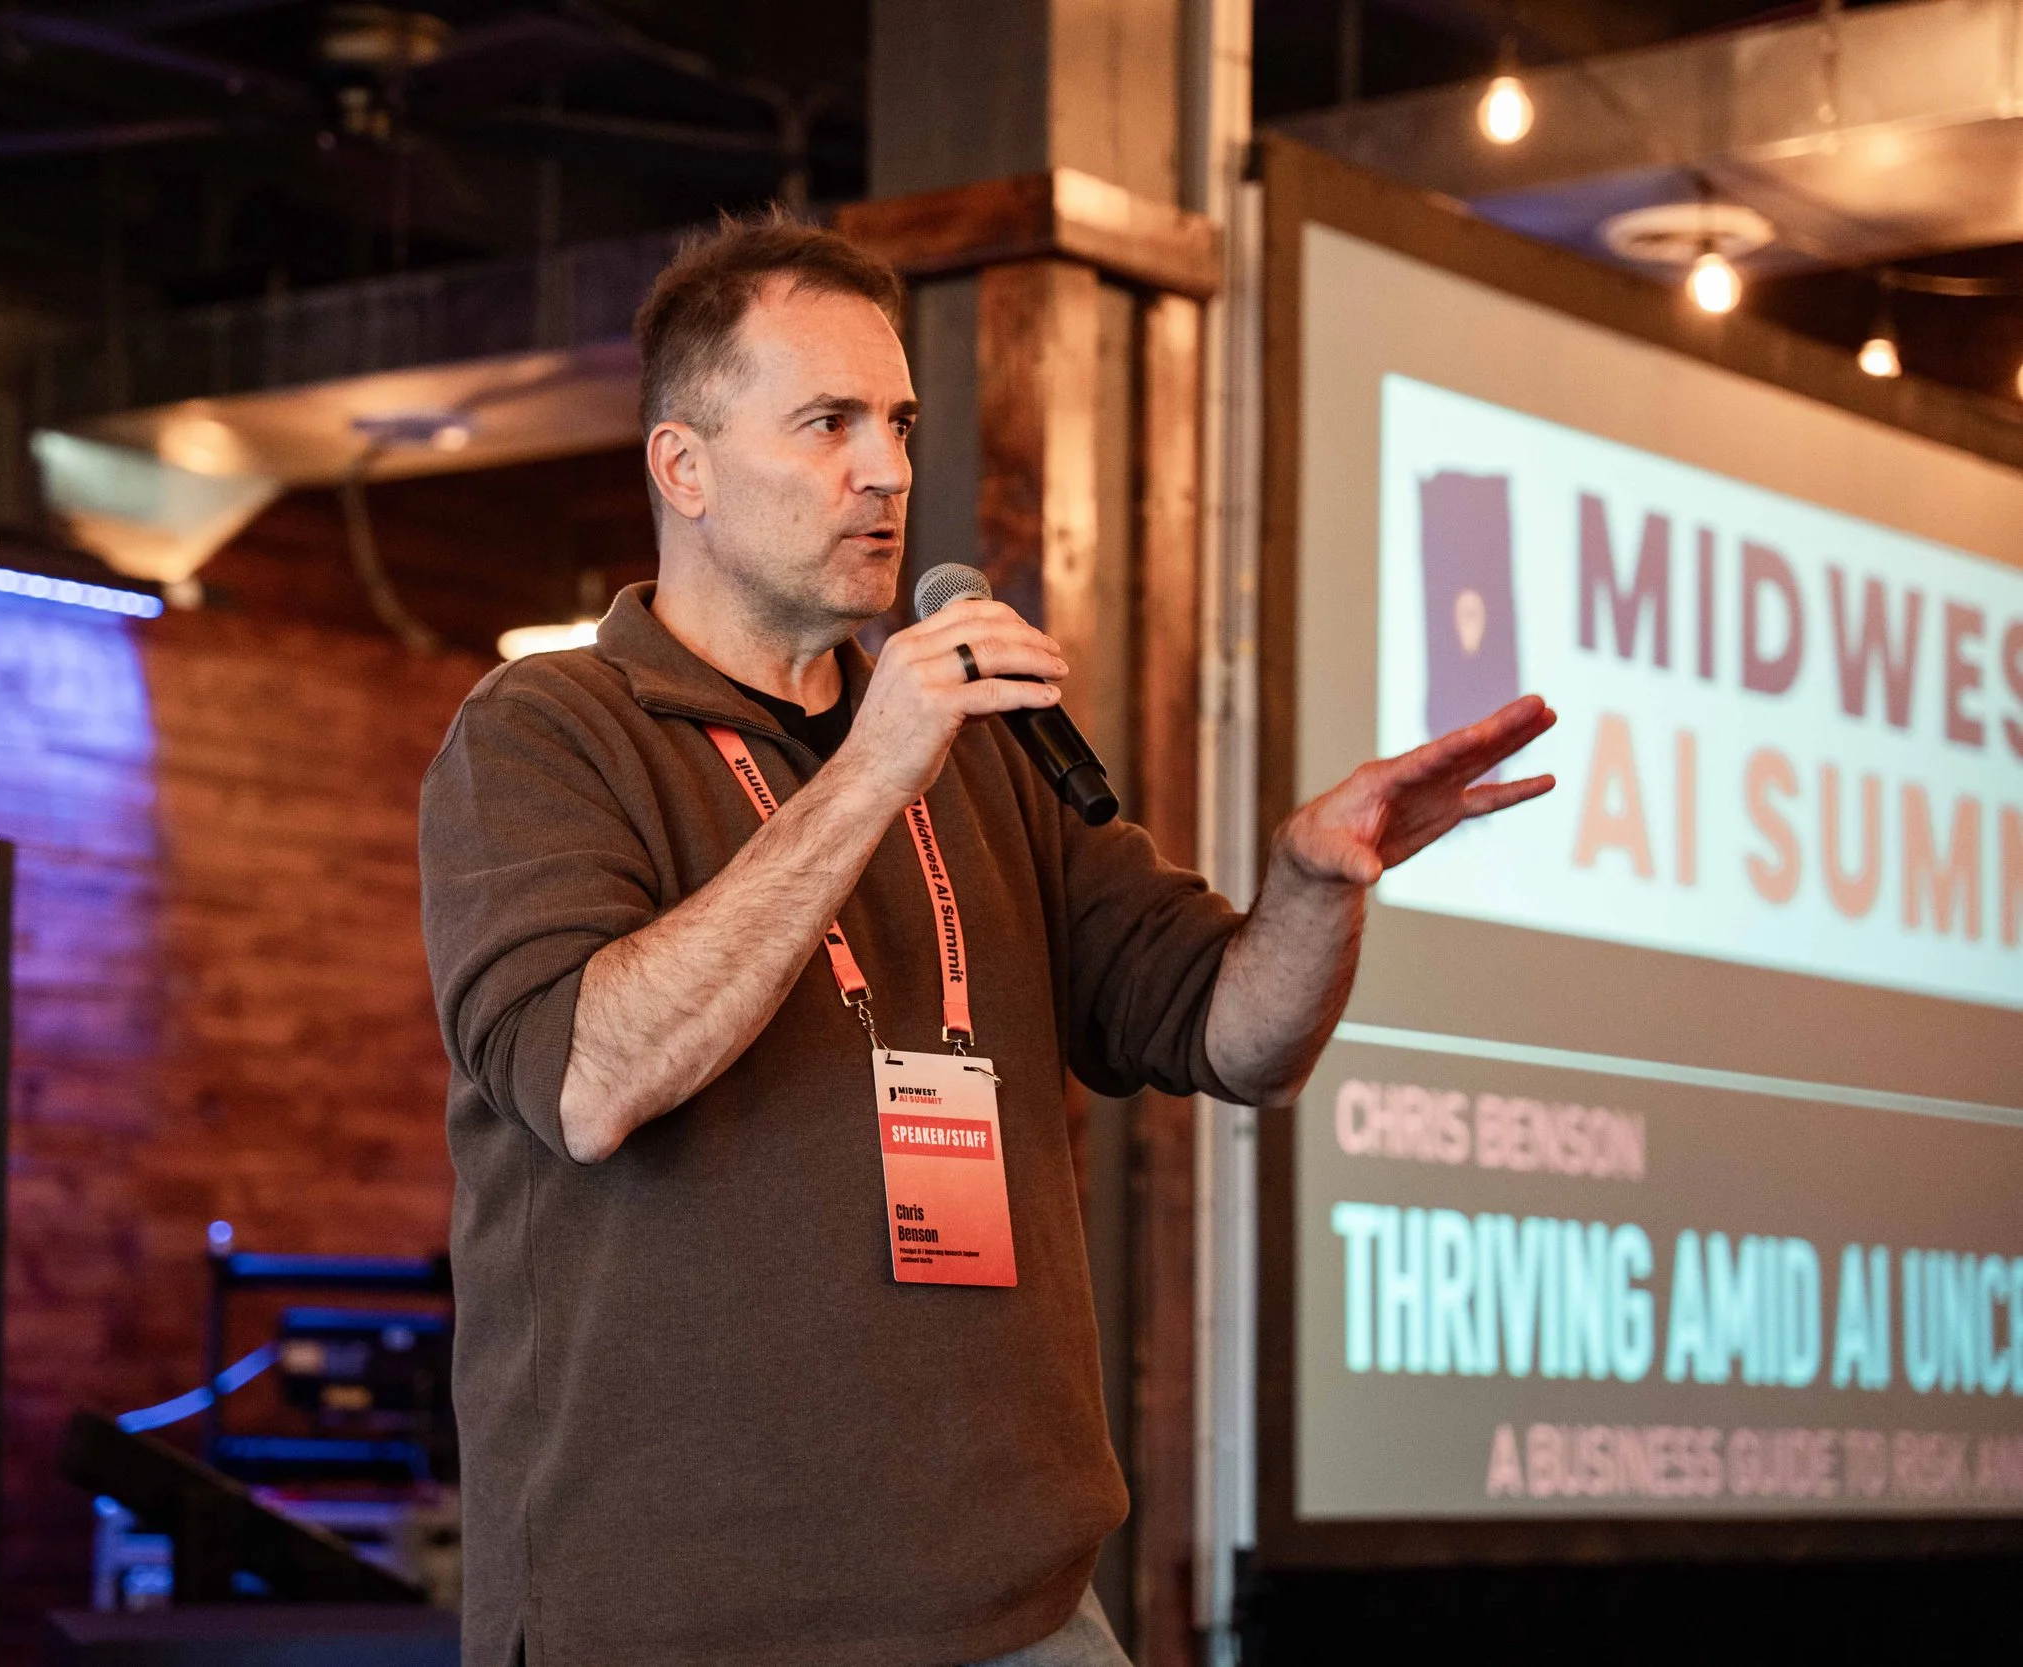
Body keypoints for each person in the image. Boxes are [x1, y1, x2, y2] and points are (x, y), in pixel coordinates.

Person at [418, 211, 1553, 1667]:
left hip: (1015, 1609)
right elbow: (590, 1081)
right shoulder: (546, 731)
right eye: (827, 423)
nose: (887, 469)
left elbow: (1235, 1035)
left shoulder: (984, 745)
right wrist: (873, 767)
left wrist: (1313, 888)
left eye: (897, 423)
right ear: (683, 467)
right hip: (683, 1618)